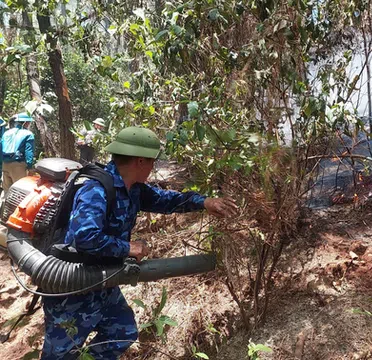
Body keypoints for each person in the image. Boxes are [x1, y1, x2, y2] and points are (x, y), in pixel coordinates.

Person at [41, 126, 237, 359]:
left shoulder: (132, 189)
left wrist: (204, 202)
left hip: (103, 283)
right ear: (140, 162)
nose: (153, 167)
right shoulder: (96, 188)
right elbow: (84, 237)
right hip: (73, 288)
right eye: (152, 162)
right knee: (60, 354)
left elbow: (165, 200)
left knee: (122, 331)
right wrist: (128, 247)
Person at [1, 113, 35, 192]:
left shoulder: (6, 133)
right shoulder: (28, 134)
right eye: (29, 122)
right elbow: (29, 152)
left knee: (7, 191)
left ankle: (4, 204)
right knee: (19, 191)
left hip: (5, 164)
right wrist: (30, 167)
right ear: (25, 123)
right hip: (18, 166)